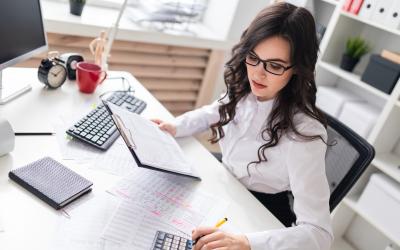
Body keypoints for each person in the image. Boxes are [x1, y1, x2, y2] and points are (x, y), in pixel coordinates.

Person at [152, 2, 332, 250]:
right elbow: (211, 112)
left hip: (261, 213)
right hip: (226, 186)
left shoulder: (306, 134)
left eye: (275, 65)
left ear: (297, 70)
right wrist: (174, 126)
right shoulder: (245, 90)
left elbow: (319, 234)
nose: (258, 74)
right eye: (253, 58)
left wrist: (248, 242)